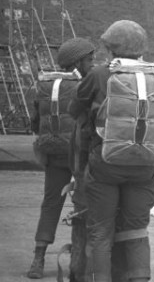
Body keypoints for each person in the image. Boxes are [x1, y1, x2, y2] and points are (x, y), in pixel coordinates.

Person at [69, 20, 154, 282]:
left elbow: (74, 110)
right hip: (144, 164)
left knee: (100, 232)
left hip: (106, 163)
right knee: (136, 231)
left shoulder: (100, 74)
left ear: (111, 47)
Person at [26, 37, 95, 279]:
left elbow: (35, 122)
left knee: (51, 204)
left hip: (54, 154)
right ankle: (81, 262)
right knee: (84, 207)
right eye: (89, 60)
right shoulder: (84, 85)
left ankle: (38, 258)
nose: (92, 64)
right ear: (77, 63)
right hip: (80, 157)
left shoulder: (45, 83)